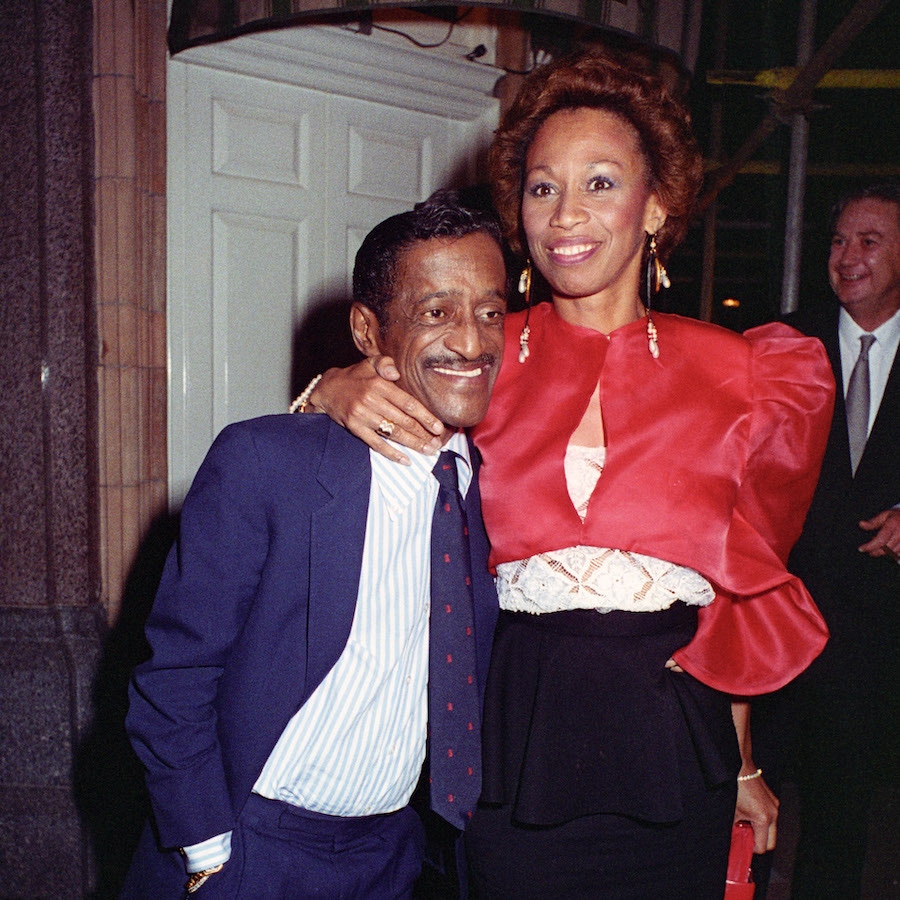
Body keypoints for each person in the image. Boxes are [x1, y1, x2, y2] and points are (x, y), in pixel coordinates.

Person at [303, 50, 836, 898]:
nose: (565, 215)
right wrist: (330, 389)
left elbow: (740, 595)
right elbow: (368, 406)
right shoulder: (479, 354)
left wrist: (740, 768)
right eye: (543, 187)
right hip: (516, 737)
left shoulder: (747, 373)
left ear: (654, 206)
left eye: (600, 182)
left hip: (672, 746)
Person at [121, 191, 507, 898]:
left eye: (490, 311)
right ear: (369, 330)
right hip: (251, 846)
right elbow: (172, 678)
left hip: (394, 854)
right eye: (436, 312)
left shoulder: (494, 487)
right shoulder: (267, 462)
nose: (473, 341)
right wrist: (208, 851)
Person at [758, 181, 900, 899]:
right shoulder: (784, 344)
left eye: (868, 241)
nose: (847, 258)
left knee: (841, 828)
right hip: (775, 621)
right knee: (747, 811)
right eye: (839, 242)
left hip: (874, 641)